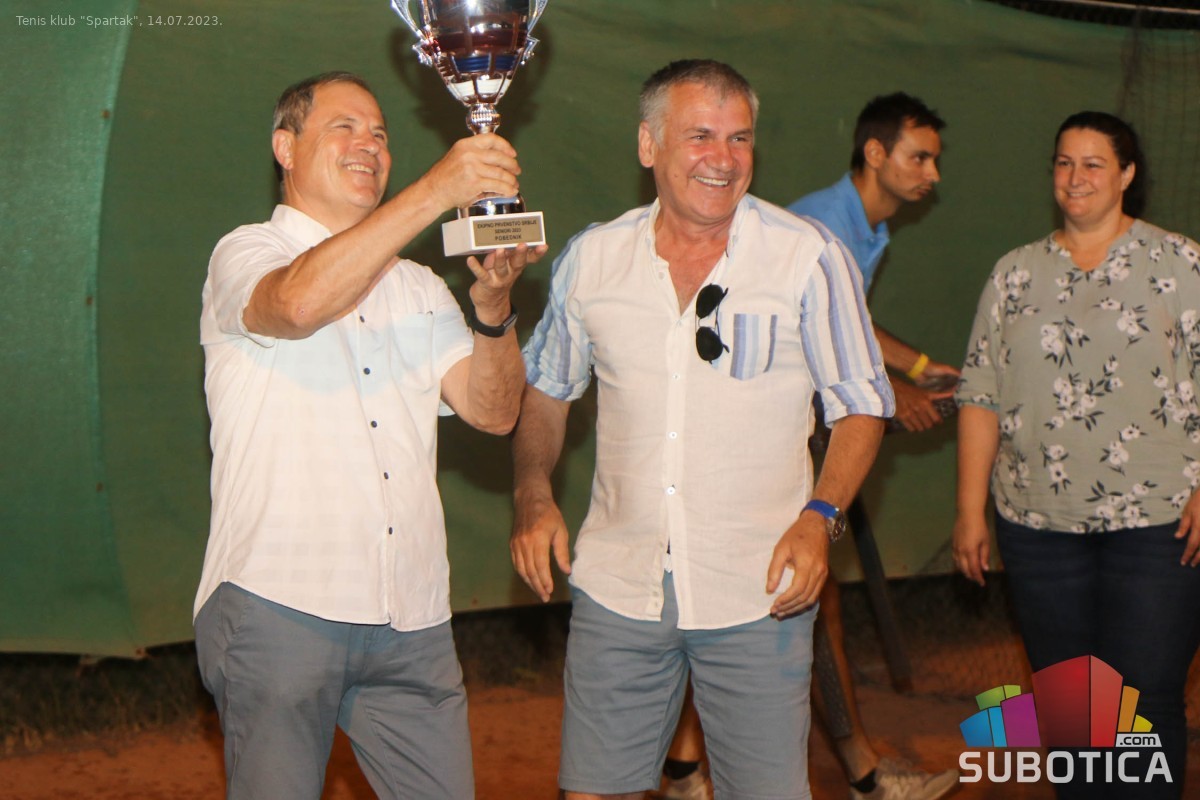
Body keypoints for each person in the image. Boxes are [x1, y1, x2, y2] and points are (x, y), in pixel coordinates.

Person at [511, 59, 895, 800]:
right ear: (648, 145)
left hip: (759, 592)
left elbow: (862, 406)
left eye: (739, 138)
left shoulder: (808, 257)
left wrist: (820, 516)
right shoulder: (593, 259)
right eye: (700, 136)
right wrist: (531, 492)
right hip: (618, 587)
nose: (723, 158)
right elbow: (547, 392)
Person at [193, 71, 545, 799]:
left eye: (380, 134)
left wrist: (493, 307)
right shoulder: (247, 253)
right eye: (344, 129)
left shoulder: (417, 284)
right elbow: (297, 304)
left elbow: (494, 411)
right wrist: (437, 191)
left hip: (410, 616)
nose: (370, 146)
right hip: (280, 601)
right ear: (285, 148)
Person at [660, 91, 961, 800]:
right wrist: (895, 389)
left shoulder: (864, 229)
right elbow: (837, 337)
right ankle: (863, 776)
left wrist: (917, 372)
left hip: (796, 448)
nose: (932, 174)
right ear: (875, 154)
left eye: (935, 160)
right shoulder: (822, 226)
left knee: (769, 604)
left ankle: (683, 768)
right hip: (761, 452)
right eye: (920, 157)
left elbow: (849, 328)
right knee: (800, 602)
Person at [953, 111, 1200, 800]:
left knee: (1144, 698)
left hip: (1160, 522)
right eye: (1064, 162)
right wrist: (969, 510)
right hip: (1036, 527)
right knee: (1073, 702)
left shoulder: (1180, 262)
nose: (1075, 177)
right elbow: (980, 393)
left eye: (1094, 163)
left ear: (1126, 174)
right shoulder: (1015, 273)